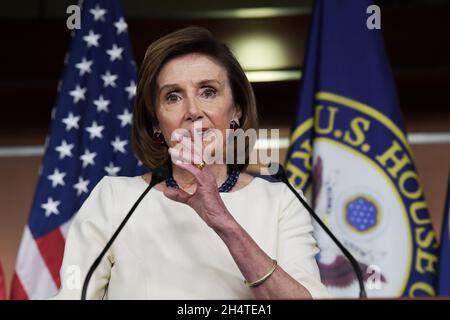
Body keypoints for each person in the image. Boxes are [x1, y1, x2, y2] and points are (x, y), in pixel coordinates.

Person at [52, 26, 329, 299]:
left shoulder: (281, 201)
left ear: (236, 111)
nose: (193, 111)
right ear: (156, 123)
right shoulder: (115, 199)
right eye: (173, 96)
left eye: (208, 91)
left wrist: (223, 222)